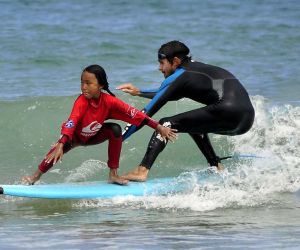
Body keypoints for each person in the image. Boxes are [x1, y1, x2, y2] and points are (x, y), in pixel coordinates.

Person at [117, 40, 255, 181]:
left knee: (166, 124)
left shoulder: (180, 76)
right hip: (246, 119)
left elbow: (145, 114)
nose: (159, 68)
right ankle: (216, 166)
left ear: (175, 61)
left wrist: (118, 139)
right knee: (193, 126)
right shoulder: (194, 69)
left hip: (227, 111)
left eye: (162, 62)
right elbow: (169, 92)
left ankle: (142, 171)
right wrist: (140, 91)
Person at [22, 64, 177, 185]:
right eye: (82, 83)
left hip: (94, 136)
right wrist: (62, 142)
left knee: (115, 129)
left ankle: (113, 175)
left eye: (88, 83)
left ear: (101, 85)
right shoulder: (81, 101)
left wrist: (159, 127)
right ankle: (34, 177)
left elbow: (136, 114)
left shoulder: (109, 102)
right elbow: (72, 120)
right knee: (56, 151)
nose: (84, 87)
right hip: (74, 137)